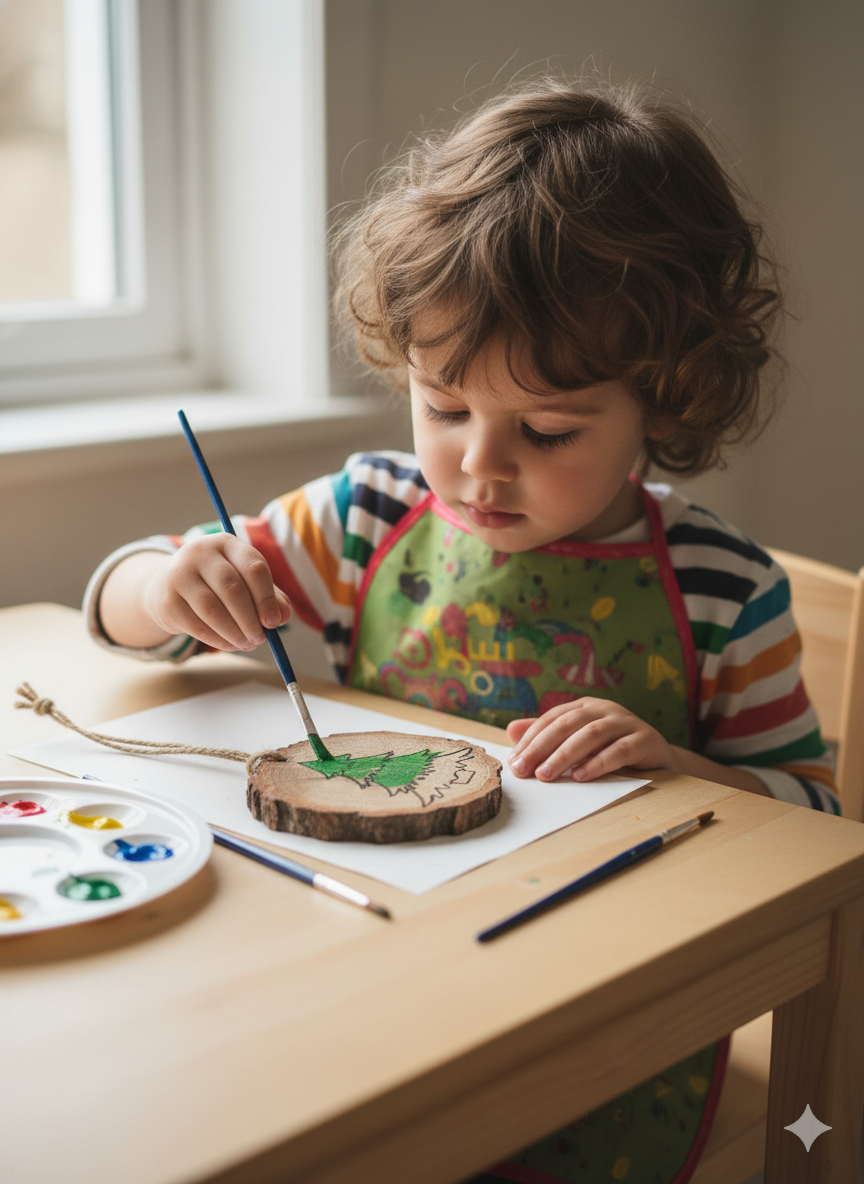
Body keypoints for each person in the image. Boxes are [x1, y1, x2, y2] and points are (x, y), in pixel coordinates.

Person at [85, 79, 839, 1183]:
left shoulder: (726, 587)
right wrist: (171, 584)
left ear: (663, 395)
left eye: (544, 427)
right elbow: (115, 611)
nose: (479, 464)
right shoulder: (366, 516)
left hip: (605, 1018)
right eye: (444, 406)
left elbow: (815, 819)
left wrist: (678, 766)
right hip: (363, 972)